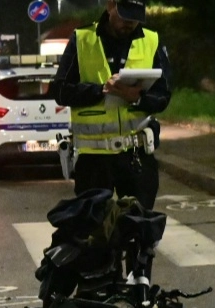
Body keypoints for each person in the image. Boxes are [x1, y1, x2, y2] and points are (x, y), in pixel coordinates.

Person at [52, 0, 171, 210]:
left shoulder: (151, 40)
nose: (130, 23)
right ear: (110, 6)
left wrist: (137, 98)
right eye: (125, 16)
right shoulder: (82, 39)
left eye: (135, 18)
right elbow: (60, 91)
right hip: (94, 159)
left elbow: (163, 96)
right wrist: (100, 90)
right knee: (93, 231)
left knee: (139, 230)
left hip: (137, 155)